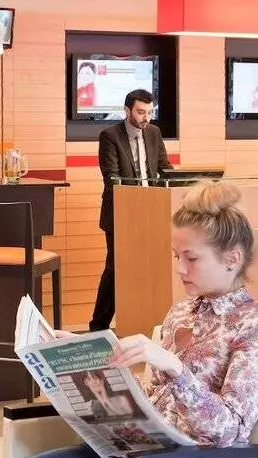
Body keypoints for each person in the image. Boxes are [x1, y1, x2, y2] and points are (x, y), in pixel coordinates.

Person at [0, 182, 258, 458]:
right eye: (176, 255)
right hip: (129, 451)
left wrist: (174, 367)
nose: (180, 268)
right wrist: (87, 360)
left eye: (191, 258)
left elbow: (231, 431)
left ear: (232, 258)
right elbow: (154, 404)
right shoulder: (183, 310)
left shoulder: (249, 326)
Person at [90, 89, 173, 332]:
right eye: (140, 112)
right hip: (121, 214)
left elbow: (164, 168)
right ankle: (98, 327)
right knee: (116, 269)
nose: (146, 118)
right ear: (127, 111)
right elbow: (111, 177)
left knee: (148, 268)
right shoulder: (110, 136)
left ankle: (143, 323)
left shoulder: (154, 133)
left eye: (149, 112)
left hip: (152, 212)